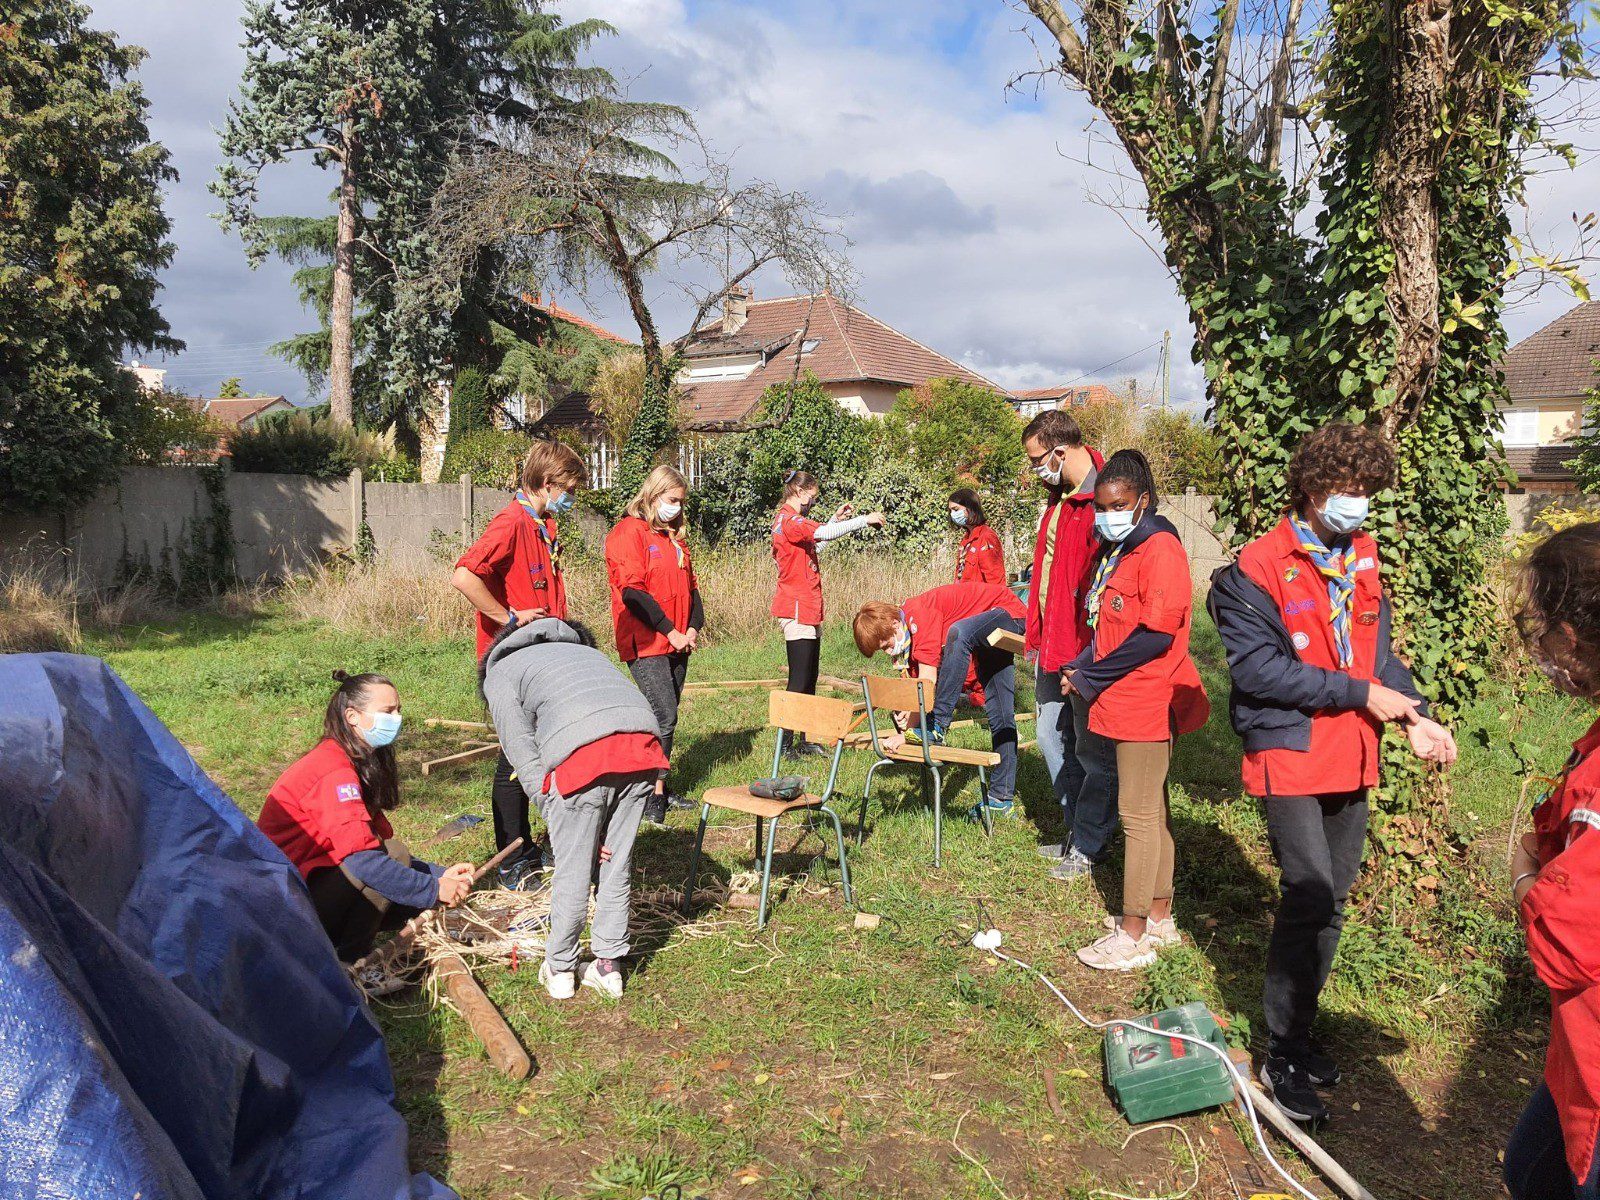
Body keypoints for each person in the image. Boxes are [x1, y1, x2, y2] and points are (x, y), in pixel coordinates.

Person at [1208, 422, 1456, 1123]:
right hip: (1289, 748)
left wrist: (1416, 715)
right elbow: (1259, 672)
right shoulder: (1253, 570)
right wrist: (1361, 695)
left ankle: (1302, 1031)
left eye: (1369, 493)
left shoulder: (1363, 557)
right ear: (1314, 490)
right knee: (1309, 892)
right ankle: (1281, 1051)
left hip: (1352, 749)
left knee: (1335, 898)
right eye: (1350, 492)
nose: (1361, 506)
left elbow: (1376, 660)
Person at [1061, 450, 1209, 973]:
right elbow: (1110, 628)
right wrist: (1082, 665)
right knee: (1154, 809)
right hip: (1121, 700)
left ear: (1142, 501)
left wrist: (1093, 676)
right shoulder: (1124, 548)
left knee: (1138, 816)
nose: (1106, 516)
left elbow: (1156, 635)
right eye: (1101, 506)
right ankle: (1161, 916)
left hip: (1146, 700)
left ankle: (1133, 933)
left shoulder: (1161, 550)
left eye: (1117, 505)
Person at [481, 617, 667, 1001]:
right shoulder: (584, 652)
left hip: (584, 756)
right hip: (645, 747)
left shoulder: (500, 673)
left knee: (573, 866)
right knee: (617, 860)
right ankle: (608, 966)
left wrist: (555, 813)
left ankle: (561, 968)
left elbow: (520, 753)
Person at [1504, 523, 1600, 1199]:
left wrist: (1519, 870)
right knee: (1531, 1170)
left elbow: (1564, 939)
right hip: (1577, 1048)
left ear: (1569, 636)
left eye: (1538, 629)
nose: (1536, 649)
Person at [258, 671, 475, 962]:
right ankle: (349, 959)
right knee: (394, 856)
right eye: (387, 711)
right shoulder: (334, 772)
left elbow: (367, 844)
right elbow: (365, 859)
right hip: (285, 912)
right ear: (352, 716)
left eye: (398, 710)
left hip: (305, 889)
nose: (396, 718)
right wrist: (433, 888)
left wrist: (439, 874)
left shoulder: (350, 759)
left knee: (397, 870)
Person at [452, 439, 587, 889]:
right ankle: (512, 854)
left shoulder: (542, 525)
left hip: (544, 658)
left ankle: (535, 842)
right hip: (513, 664)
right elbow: (464, 576)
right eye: (567, 489)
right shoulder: (510, 522)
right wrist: (508, 618)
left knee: (542, 749)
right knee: (514, 757)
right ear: (545, 484)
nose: (571, 498)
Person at [1020, 409, 1115, 881]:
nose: (1036, 468)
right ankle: (1076, 829)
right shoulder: (1059, 499)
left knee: (1091, 752)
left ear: (1060, 451)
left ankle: (1092, 844)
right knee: (1050, 738)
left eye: (1039, 459)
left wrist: (1088, 658)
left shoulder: (1106, 497)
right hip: (1050, 644)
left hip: (1082, 652)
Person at [852, 580, 1027, 818]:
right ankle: (1001, 800)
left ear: (895, 623)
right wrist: (907, 730)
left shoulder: (919, 614)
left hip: (1008, 613)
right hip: (984, 638)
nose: (887, 651)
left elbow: (928, 680)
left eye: (886, 645)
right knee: (1001, 715)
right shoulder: (907, 640)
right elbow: (920, 695)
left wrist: (922, 727)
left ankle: (939, 725)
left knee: (960, 632)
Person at [605, 465, 704, 827]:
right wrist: (669, 630)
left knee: (666, 717)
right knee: (663, 714)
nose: (676, 508)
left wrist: (691, 627)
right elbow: (633, 593)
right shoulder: (628, 532)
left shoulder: (674, 538)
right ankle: (650, 794)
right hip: (646, 641)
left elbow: (692, 590)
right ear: (653, 494)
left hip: (678, 641)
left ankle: (659, 781)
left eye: (680, 502)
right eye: (671, 500)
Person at [770, 469, 885, 755]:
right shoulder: (790, 519)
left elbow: (816, 542)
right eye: (812, 496)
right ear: (799, 492)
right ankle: (785, 746)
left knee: (809, 676)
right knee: (798, 679)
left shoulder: (792, 522)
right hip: (796, 607)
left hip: (808, 606)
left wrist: (836, 520)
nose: (812, 501)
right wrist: (862, 520)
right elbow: (823, 534)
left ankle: (804, 740)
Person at [949, 488, 1005, 585]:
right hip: (964, 597)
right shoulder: (966, 538)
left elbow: (995, 580)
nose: (952, 514)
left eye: (956, 509)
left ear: (970, 508)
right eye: (950, 511)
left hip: (979, 598)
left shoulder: (986, 537)